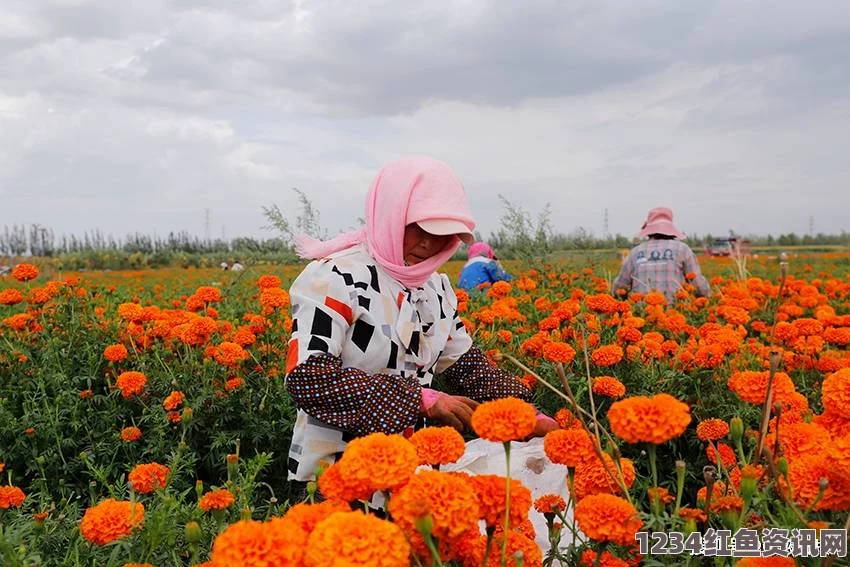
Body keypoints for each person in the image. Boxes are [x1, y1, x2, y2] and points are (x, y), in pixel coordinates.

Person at [284, 156, 559, 491]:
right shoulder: (335, 277)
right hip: (337, 475)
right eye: (418, 228)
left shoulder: (435, 289)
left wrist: (531, 416)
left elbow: (469, 369)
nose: (428, 244)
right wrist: (420, 399)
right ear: (390, 214)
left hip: (411, 471)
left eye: (442, 234)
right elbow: (308, 378)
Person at [612, 206, 711, 303]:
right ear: (671, 229)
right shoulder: (682, 249)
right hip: (675, 311)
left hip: (642, 313)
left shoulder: (636, 252)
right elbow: (699, 286)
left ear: (649, 230)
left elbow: (619, 288)